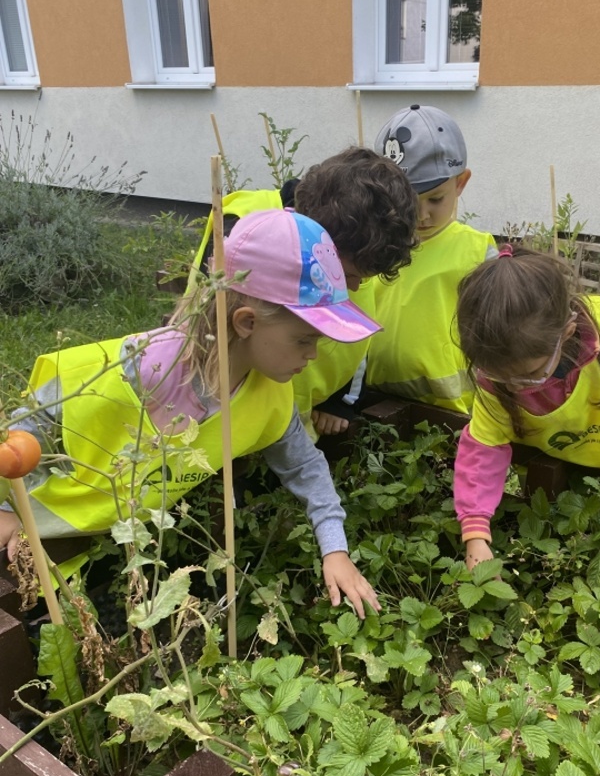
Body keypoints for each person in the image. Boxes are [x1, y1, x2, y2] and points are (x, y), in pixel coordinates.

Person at [0, 209, 383, 618]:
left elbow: (304, 466)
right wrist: (5, 508)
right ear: (246, 322)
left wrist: (335, 550)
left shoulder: (269, 395)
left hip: (90, 544)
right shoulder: (142, 370)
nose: (313, 355)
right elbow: (29, 425)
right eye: (305, 339)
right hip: (29, 527)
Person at [452, 245, 600, 571]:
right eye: (500, 376)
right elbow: (482, 450)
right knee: (572, 538)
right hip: (560, 472)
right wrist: (475, 535)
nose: (513, 387)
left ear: (566, 333)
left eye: (529, 374)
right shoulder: (495, 379)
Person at [189, 147, 418, 437]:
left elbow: (357, 339)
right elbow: (211, 327)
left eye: (364, 279)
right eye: (349, 276)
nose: (354, 287)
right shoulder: (246, 231)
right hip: (223, 423)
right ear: (318, 242)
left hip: (295, 428)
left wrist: (338, 400)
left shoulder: (357, 248)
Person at [363, 104, 498, 415]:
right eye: (407, 202)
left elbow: (497, 333)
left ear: (460, 183)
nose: (422, 215)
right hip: (372, 400)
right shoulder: (371, 245)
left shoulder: (477, 250)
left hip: (452, 411)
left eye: (436, 199)